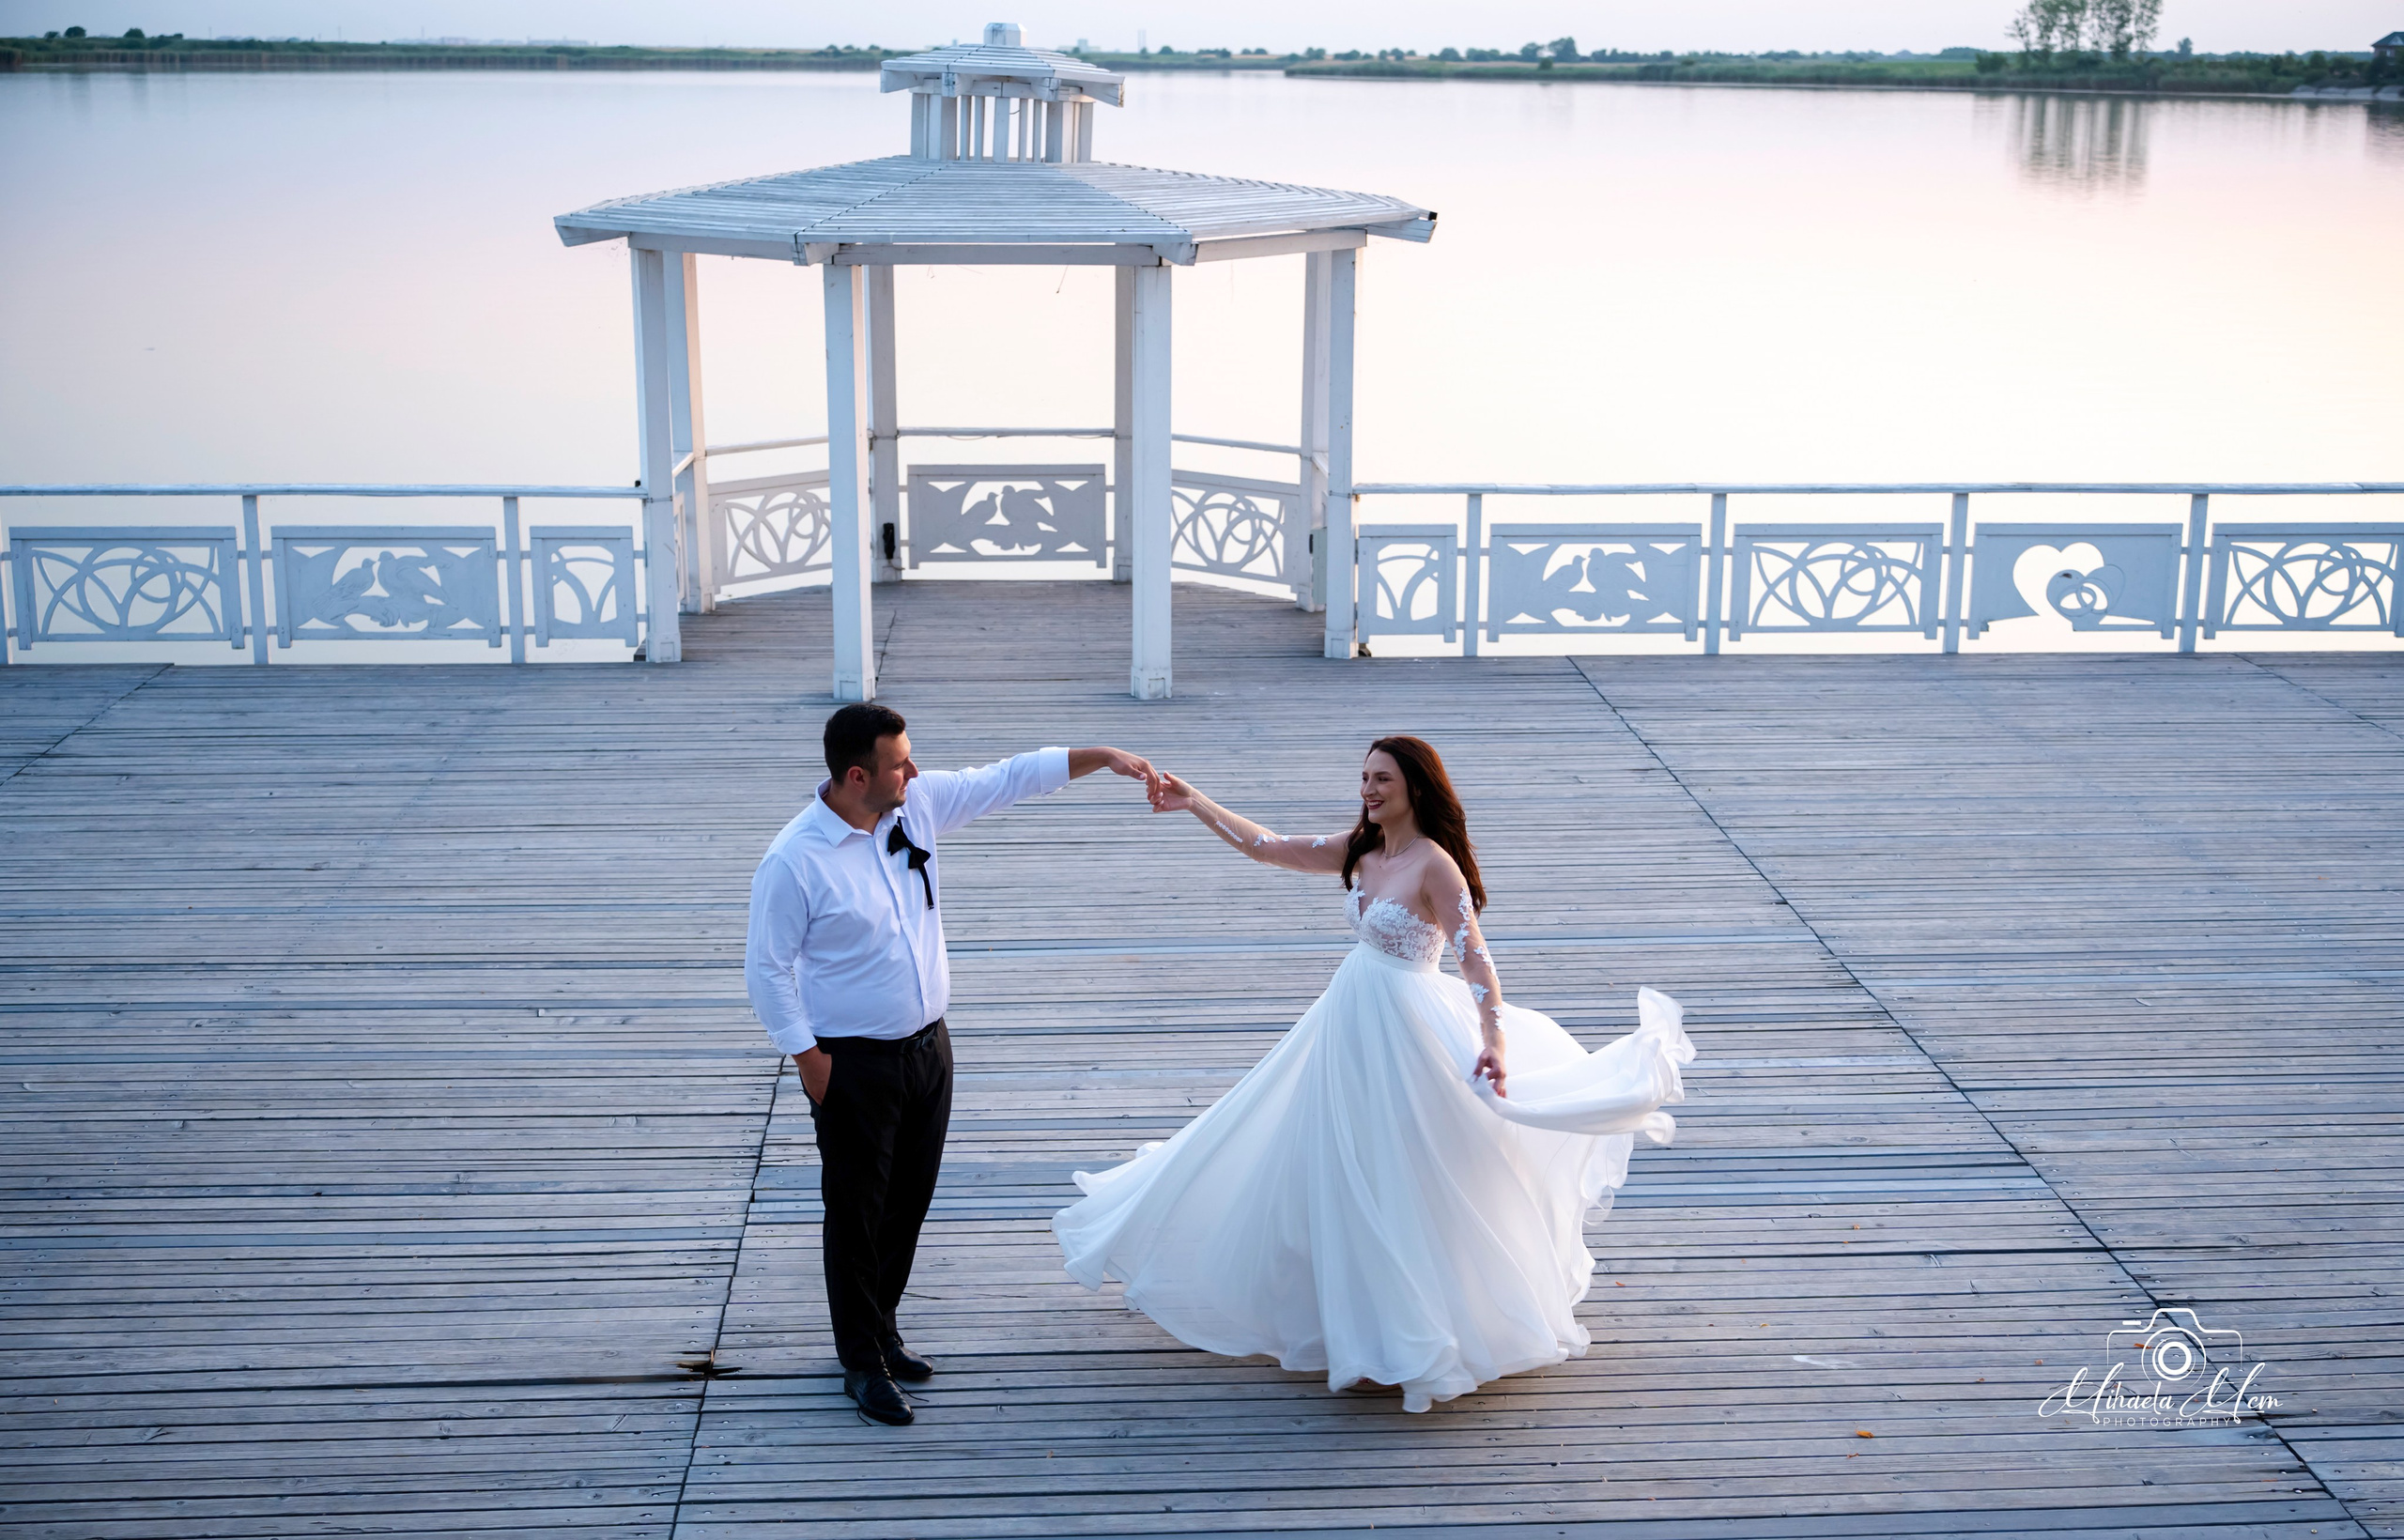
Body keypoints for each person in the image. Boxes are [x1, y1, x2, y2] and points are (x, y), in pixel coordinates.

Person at [1053, 734, 1696, 1413]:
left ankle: (1411, 1335)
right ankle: (1358, 1331)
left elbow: (1476, 961)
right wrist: (1193, 802)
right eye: (1364, 777)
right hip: (1347, 1025)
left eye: (1382, 779)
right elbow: (1266, 847)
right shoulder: (1361, 849)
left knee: (1398, 1174)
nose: (1369, 789)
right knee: (1337, 1167)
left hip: (1407, 1032)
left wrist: (1495, 1042)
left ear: (1416, 787)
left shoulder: (1435, 867)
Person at [746, 703, 1158, 1426]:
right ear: (855, 776)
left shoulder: (917, 803)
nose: (914, 770)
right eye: (899, 762)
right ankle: (862, 1363)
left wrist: (1103, 755)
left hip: (929, 1048)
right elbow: (767, 969)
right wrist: (810, 1062)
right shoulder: (795, 859)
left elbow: (1007, 778)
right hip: (853, 1064)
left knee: (908, 1198)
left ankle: (884, 1327)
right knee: (856, 1212)